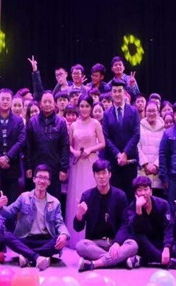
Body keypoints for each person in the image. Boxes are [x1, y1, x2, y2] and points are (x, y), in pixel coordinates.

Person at [0, 165, 69, 271]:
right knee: (5, 235)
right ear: (34, 179)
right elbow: (8, 213)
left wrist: (64, 234)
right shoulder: (24, 197)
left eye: (45, 178)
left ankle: (27, 256)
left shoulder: (55, 202)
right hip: (26, 239)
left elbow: (59, 223)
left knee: (58, 240)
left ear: (49, 182)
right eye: (39, 177)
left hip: (45, 240)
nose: (42, 181)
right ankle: (38, 257)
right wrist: (0, 207)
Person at [118, 176, 176, 270]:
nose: (143, 193)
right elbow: (136, 230)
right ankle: (171, 262)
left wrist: (166, 248)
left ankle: (144, 260)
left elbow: (168, 229)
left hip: (160, 243)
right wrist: (138, 210)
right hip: (144, 244)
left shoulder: (163, 204)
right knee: (138, 238)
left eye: (146, 189)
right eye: (139, 190)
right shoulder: (132, 208)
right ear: (135, 194)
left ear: (151, 191)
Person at [73, 160, 137, 272]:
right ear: (94, 175)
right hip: (95, 243)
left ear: (110, 174)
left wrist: (117, 243)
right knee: (80, 246)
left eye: (104, 173)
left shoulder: (120, 195)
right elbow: (78, 228)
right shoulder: (87, 196)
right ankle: (120, 260)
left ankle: (95, 264)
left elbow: (125, 223)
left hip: (115, 242)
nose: (101, 177)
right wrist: (79, 215)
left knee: (133, 244)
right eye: (98, 173)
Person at [66, 94, 105, 247]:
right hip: (77, 165)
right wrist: (74, 152)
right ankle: (75, 236)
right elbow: (69, 145)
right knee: (76, 197)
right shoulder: (74, 125)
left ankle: (92, 236)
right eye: (81, 106)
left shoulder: (95, 123)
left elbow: (102, 143)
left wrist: (90, 149)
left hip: (91, 163)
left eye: (87, 106)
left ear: (91, 107)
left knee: (91, 196)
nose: (84, 109)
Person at [0, 89, 26, 202]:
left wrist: (7, 157)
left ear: (11, 101)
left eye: (8, 99)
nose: (5, 101)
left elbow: (21, 141)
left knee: (11, 202)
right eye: (3, 99)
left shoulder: (19, 121)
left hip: (12, 167)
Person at [102, 79, 141, 201]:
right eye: (115, 91)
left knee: (130, 195)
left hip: (130, 160)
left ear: (124, 93)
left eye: (120, 91)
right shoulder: (106, 114)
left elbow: (136, 134)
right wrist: (118, 154)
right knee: (115, 197)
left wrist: (125, 153)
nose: (117, 94)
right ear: (111, 94)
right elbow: (106, 137)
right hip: (114, 161)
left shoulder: (134, 111)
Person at [26, 91, 70, 198]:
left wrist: (64, 169)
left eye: (50, 102)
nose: (47, 104)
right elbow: (28, 146)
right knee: (36, 197)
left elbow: (65, 146)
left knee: (53, 199)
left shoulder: (61, 122)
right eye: (44, 101)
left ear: (54, 104)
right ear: (40, 104)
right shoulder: (32, 122)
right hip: (36, 167)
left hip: (55, 168)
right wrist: (28, 167)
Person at [137, 101, 165, 197]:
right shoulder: (139, 127)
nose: (151, 113)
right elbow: (137, 146)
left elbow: (165, 149)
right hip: (143, 170)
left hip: (158, 172)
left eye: (154, 111)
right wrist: (145, 164)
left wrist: (156, 165)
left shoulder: (164, 128)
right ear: (145, 112)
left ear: (158, 112)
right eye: (149, 111)